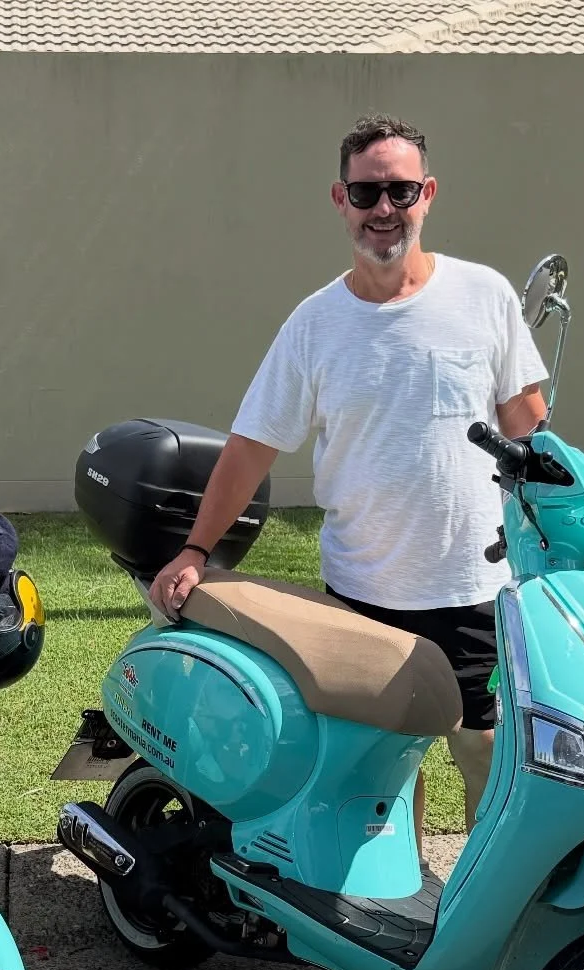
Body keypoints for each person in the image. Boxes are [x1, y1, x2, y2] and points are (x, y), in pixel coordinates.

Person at [149, 113, 549, 857]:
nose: (384, 210)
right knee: (385, 763)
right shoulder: (315, 324)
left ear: (427, 194)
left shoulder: (484, 296)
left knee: (485, 753)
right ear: (341, 200)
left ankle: (491, 897)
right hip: (362, 590)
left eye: (400, 191)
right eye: (367, 193)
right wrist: (197, 548)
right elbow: (249, 449)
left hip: (474, 583)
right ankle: (411, 886)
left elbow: (528, 428)